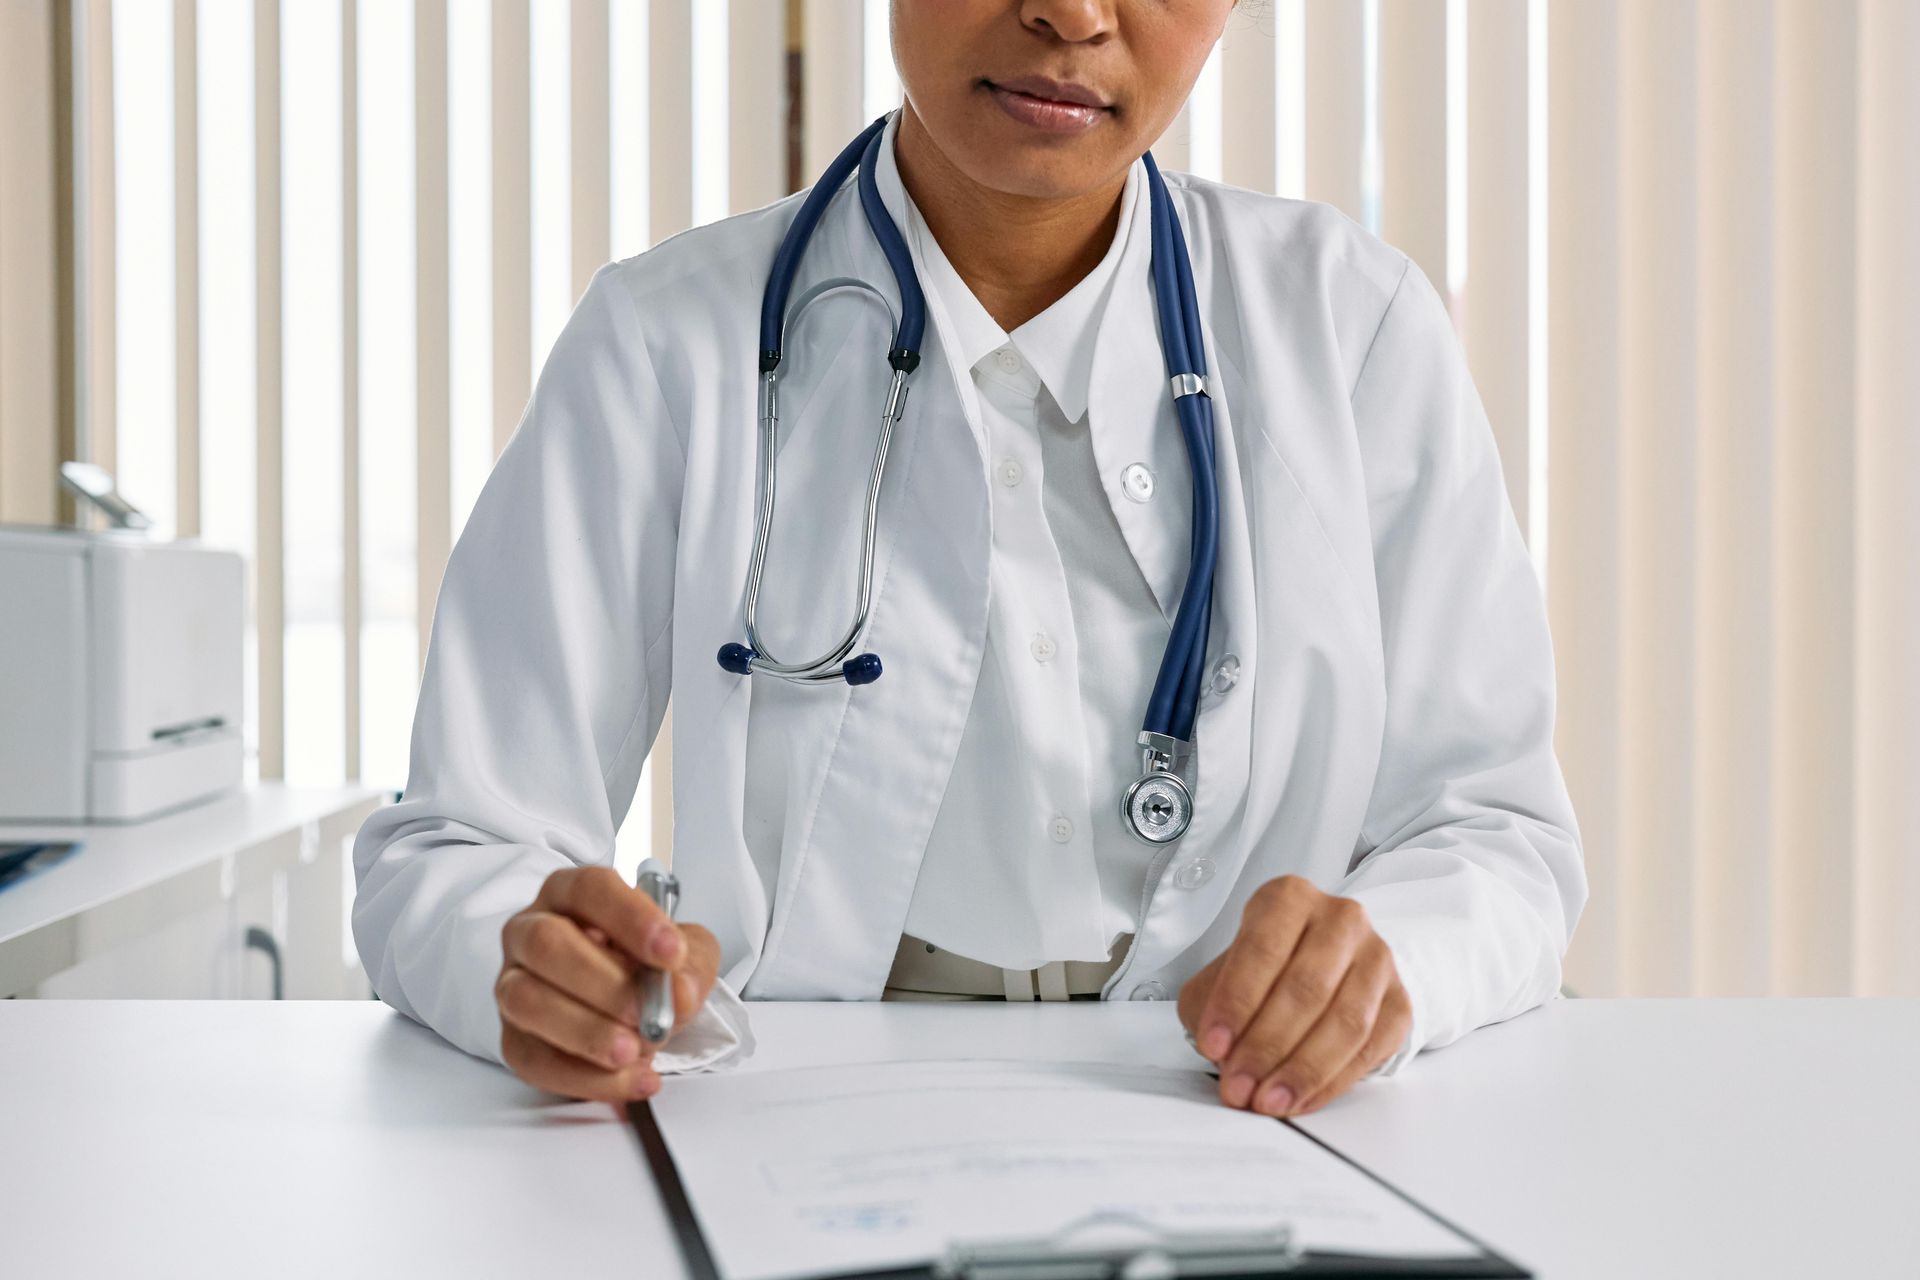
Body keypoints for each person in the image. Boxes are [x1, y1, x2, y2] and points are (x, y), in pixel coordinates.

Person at [352, 0, 1585, 1119]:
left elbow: (1497, 836)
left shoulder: (1352, 325)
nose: (1074, 15)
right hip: (801, 1109)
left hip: (1234, 1107)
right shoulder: (668, 339)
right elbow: (454, 845)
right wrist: (526, 957)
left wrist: (1384, 964)